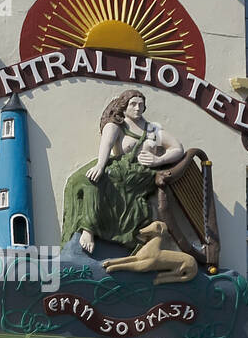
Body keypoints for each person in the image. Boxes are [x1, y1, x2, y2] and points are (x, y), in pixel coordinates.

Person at [61, 90, 185, 254]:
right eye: (133, 104)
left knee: (96, 182)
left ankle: (88, 230)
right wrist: (100, 165)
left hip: (141, 174)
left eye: (141, 104)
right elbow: (106, 145)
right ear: (124, 106)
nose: (137, 108)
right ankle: (83, 229)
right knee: (78, 180)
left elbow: (178, 148)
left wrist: (159, 160)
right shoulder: (116, 125)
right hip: (118, 167)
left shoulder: (151, 130)